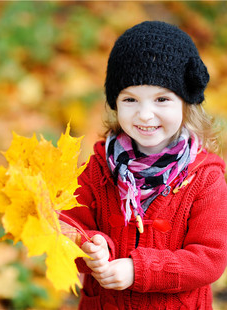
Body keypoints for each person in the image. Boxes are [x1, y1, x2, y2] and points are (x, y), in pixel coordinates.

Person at [60, 21, 227, 309]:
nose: (145, 115)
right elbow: (70, 226)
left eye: (162, 99)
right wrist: (91, 246)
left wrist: (139, 270)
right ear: (115, 103)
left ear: (187, 103)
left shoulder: (206, 179)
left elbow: (209, 258)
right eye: (130, 99)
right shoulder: (99, 168)